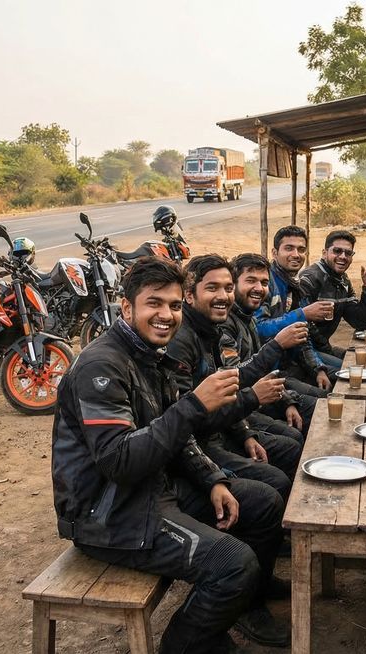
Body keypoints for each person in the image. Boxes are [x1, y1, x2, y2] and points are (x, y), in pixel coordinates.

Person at [52, 257, 291, 652]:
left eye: (175, 305)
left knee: (263, 501)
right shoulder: (101, 367)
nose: (166, 315)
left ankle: (240, 609)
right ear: (127, 308)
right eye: (154, 304)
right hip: (108, 513)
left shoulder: (151, 355)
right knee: (234, 564)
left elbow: (175, 435)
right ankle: (185, 645)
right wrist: (195, 405)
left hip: (154, 488)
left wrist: (211, 479)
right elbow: (120, 462)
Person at [167, 254, 302, 500]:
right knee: (271, 490)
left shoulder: (212, 327)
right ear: (188, 295)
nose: (223, 296)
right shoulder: (181, 339)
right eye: (212, 288)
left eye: (227, 288)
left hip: (221, 428)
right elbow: (186, 422)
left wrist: (245, 434)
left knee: (291, 446)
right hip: (196, 445)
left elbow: (227, 387)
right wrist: (253, 397)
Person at [224, 252, 318, 435]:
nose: (259, 288)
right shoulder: (226, 323)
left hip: (266, 388)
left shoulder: (249, 317)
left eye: (264, 283)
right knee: (293, 439)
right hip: (242, 404)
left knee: (322, 405)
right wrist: (278, 344)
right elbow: (237, 377)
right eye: (251, 281)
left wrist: (287, 401)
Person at [254, 226, 337, 389]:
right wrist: (303, 314)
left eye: (301, 249)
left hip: (294, 358)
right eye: (289, 248)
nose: (296, 254)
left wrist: (318, 368)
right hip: (270, 370)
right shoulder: (265, 284)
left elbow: (302, 335)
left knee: (345, 372)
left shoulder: (294, 284)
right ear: (274, 253)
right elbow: (258, 329)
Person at [298, 230, 366, 360]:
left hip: (322, 348)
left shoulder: (343, 280)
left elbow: (362, 322)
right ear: (324, 253)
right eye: (337, 251)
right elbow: (303, 325)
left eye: (348, 253)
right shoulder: (309, 279)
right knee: (352, 367)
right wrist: (328, 351)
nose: (343, 256)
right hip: (302, 352)